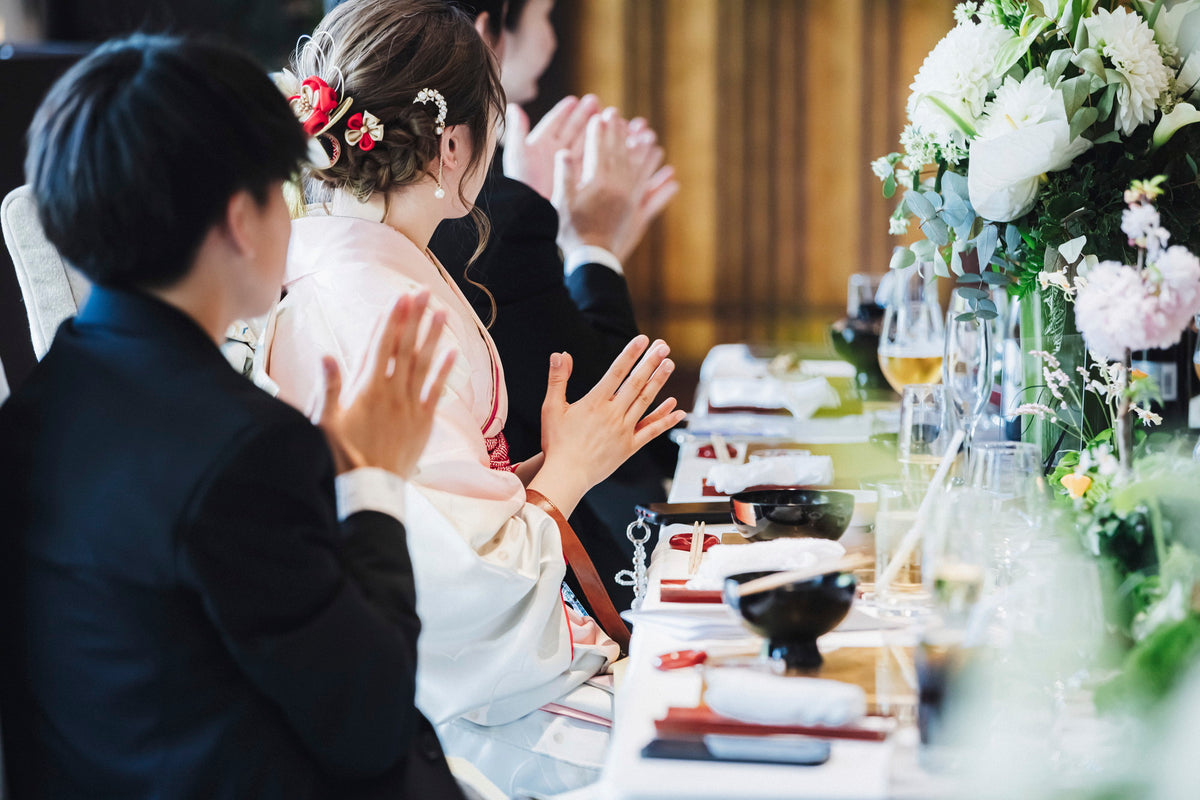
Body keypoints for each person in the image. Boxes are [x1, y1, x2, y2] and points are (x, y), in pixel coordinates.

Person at [0, 34, 467, 799]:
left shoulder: (37, 409)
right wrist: (374, 483)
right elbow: (370, 723)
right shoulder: (247, 452)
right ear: (239, 218)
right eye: (282, 188)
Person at [262, 1, 686, 794]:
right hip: (465, 718)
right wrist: (568, 473)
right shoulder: (382, 306)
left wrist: (535, 468)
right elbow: (450, 583)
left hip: (472, 679)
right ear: (453, 142)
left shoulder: (359, 265)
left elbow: (440, 501)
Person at [429, 0, 680, 612]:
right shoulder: (490, 213)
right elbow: (604, 396)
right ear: (485, 31)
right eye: (542, 14)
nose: (550, 38)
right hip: (506, 575)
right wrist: (592, 245)